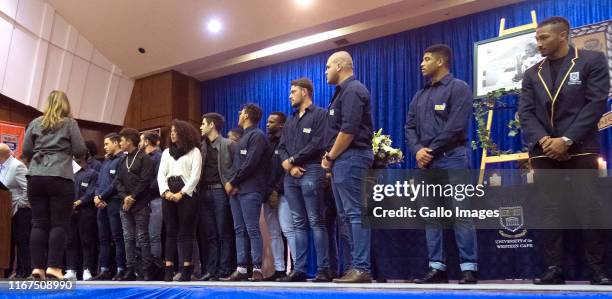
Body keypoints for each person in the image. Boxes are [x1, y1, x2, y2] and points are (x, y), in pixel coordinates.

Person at [518, 16, 611, 285]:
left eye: (544, 38)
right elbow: (525, 113)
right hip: (543, 150)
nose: (539, 44)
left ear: (563, 35)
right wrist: (546, 140)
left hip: (580, 147)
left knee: (589, 207)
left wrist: (567, 139)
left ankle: (597, 269)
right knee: (549, 208)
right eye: (536, 39)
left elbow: (595, 104)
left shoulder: (591, 61)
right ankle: (554, 268)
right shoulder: (531, 73)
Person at [404, 44, 478, 284]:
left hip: (453, 158)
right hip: (426, 164)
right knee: (431, 216)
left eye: (426, 59)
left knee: (461, 213)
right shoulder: (420, 95)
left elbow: (456, 125)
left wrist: (430, 151)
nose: (421, 63)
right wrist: (417, 150)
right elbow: (409, 128)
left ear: (441, 62)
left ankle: (469, 268)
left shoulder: (459, 88)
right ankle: (437, 268)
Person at [321, 51, 374, 283]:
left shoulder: (353, 90)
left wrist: (330, 156)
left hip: (351, 158)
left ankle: (362, 268)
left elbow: (349, 130)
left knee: (354, 213)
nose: (325, 71)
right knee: (345, 215)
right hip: (343, 160)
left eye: (327, 66)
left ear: (340, 66)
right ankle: (355, 266)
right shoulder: (341, 93)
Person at [22, 90, 87, 280]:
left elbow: (26, 150)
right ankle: (54, 268)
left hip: (35, 176)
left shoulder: (35, 122)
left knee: (38, 223)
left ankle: (37, 268)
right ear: (65, 105)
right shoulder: (69, 123)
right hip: (60, 176)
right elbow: (80, 150)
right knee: (59, 224)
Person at [278, 78, 331, 282]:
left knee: (316, 221)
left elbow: (319, 143)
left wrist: (292, 160)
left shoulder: (320, 115)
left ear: (305, 92)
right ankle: (299, 270)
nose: (290, 95)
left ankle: (323, 269)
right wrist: (289, 165)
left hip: (313, 171)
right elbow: (281, 147)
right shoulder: (290, 121)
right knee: (298, 223)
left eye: (293, 92)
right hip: (291, 176)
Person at [221, 104, 270, 282]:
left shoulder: (257, 136)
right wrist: (231, 184)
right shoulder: (242, 138)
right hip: (237, 191)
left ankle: (257, 268)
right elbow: (236, 166)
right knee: (239, 229)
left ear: (247, 115)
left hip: (251, 189)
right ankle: (241, 268)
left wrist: (233, 181)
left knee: (251, 229)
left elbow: (251, 163)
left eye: (241, 112)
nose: (239, 115)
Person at [157, 120, 202, 282]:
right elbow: (161, 175)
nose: (173, 134)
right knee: (170, 231)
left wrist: (181, 193)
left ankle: (185, 269)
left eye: (176, 131)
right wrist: (166, 192)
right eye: (172, 131)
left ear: (184, 133)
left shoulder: (194, 151)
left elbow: (195, 176)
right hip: (168, 192)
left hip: (187, 194)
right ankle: (168, 268)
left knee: (186, 232)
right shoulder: (166, 153)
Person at [198, 113, 236, 281]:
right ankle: (211, 270)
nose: (200, 127)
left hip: (221, 190)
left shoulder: (228, 144)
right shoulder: (201, 147)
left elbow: (237, 167)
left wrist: (232, 184)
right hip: (203, 192)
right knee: (210, 234)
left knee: (223, 232)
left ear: (212, 125)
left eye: (203, 123)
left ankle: (224, 269)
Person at [115, 127, 155, 281]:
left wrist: (132, 197)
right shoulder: (122, 160)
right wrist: (125, 197)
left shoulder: (145, 158)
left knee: (142, 237)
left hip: (141, 205)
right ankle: (130, 269)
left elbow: (146, 181)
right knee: (128, 238)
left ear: (130, 141)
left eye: (122, 140)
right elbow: (117, 181)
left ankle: (146, 270)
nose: (120, 143)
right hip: (125, 206)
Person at [264, 111, 295, 282]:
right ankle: (279, 269)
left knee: (288, 230)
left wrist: (276, 189)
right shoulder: (266, 143)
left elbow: (288, 168)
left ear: (281, 125)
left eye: (272, 122)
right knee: (274, 233)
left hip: (284, 192)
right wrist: (268, 191)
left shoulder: (288, 141)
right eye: (267, 121)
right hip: (267, 194)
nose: (267, 124)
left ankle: (298, 268)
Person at [92, 133, 126, 281]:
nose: (104, 147)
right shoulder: (105, 162)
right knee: (103, 239)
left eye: (107, 144)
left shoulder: (122, 160)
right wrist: (96, 196)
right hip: (101, 204)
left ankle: (121, 269)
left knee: (118, 238)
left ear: (116, 143)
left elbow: (117, 183)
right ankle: (104, 270)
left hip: (115, 202)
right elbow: (99, 183)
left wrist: (102, 197)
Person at [64, 154, 99, 281]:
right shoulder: (67, 173)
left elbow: (92, 192)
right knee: (70, 241)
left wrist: (78, 202)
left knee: (86, 241)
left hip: (86, 211)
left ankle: (87, 269)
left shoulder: (92, 173)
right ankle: (71, 269)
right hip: (68, 212)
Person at [0, 143, 30, 279]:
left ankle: (24, 272)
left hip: (20, 212)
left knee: (21, 242)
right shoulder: (2, 166)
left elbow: (28, 189)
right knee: (8, 243)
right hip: (5, 213)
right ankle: (7, 271)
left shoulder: (17, 166)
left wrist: (19, 205)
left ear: (3, 155)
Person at [140, 132, 163, 262]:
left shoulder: (159, 157)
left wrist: (142, 191)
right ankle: (144, 266)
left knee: (154, 235)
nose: (139, 143)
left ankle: (154, 267)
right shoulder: (142, 157)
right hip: (143, 201)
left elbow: (158, 180)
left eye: (141, 140)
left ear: (147, 142)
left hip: (155, 199)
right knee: (143, 236)